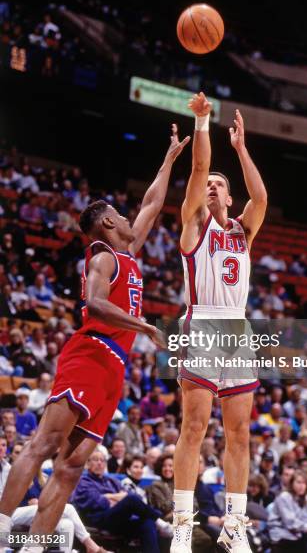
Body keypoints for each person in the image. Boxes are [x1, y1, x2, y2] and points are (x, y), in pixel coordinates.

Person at [0, 126, 190, 552]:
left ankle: (34, 546)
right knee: (46, 442)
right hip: (91, 352)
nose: (129, 219)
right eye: (121, 216)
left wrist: (169, 160)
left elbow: (152, 204)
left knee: (70, 467)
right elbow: (95, 304)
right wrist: (144, 326)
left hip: (114, 367)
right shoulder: (104, 256)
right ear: (107, 222)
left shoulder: (127, 253)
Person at [171, 92, 267, 552]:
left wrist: (242, 150)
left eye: (218, 184)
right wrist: (204, 123)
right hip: (204, 323)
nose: (210, 186)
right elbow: (194, 171)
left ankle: (234, 525)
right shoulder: (194, 224)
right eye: (207, 183)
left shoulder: (243, 231)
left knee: (240, 433)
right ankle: (184, 525)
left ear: (231, 196)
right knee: (194, 426)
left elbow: (262, 196)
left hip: (238, 329)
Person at [72, 450, 170, 553]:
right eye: (96, 460)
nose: (99, 463)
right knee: (130, 500)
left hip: (117, 519)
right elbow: (97, 502)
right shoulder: (83, 481)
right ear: (88, 464)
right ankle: (160, 522)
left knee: (147, 523)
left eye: (102, 460)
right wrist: (118, 499)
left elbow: (135, 497)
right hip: (97, 519)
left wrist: (109, 497)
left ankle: (156, 525)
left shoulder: (111, 481)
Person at [268, 470, 307, 552]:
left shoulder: (302, 499)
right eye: (299, 482)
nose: (302, 486)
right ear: (292, 483)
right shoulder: (284, 497)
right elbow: (290, 523)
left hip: (295, 535)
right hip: (281, 535)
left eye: (304, 483)